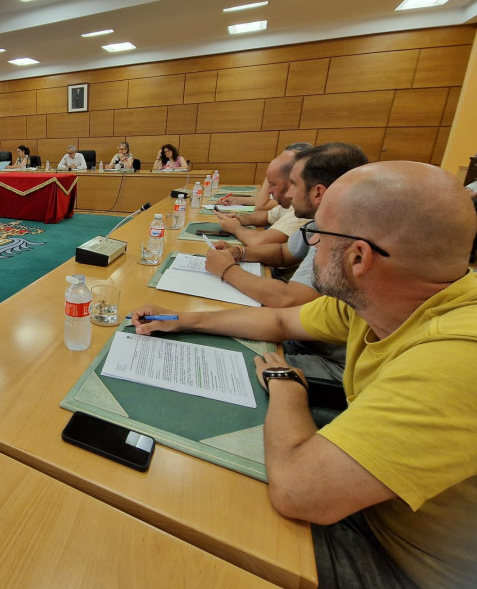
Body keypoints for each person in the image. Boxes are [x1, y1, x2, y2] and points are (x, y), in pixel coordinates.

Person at [133, 161, 477, 588]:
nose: (310, 242)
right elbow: (280, 323)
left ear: (358, 256)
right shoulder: (382, 295)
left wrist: (288, 387)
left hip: (396, 563)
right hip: (365, 505)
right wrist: (182, 320)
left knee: (189, 520)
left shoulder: (459, 360)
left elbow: (298, 491)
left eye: (319, 234)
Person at [205, 143, 368, 380]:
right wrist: (239, 252)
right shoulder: (321, 224)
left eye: (294, 184)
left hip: (328, 361)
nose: (288, 195)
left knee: (224, 370)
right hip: (298, 334)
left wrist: (227, 270)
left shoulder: (341, 239)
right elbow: (284, 253)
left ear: (319, 193)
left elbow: (287, 301)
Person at [216, 143, 312, 246]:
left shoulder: (305, 207)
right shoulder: (292, 203)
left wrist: (235, 228)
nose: (269, 191)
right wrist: (240, 219)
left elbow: (259, 241)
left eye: (273, 184)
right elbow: (268, 215)